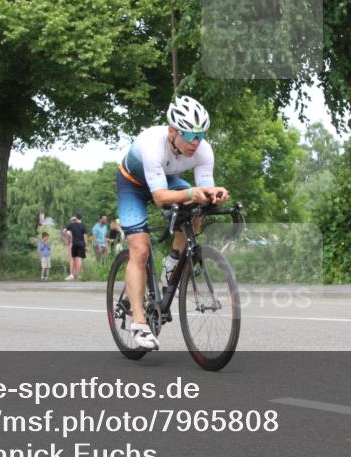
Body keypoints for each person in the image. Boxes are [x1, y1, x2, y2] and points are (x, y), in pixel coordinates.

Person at [116, 95, 230, 350]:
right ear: (172, 131)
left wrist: (215, 195)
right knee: (141, 249)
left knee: (198, 209)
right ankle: (139, 323)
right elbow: (159, 198)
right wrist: (192, 193)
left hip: (165, 181)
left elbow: (204, 190)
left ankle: (173, 263)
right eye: (190, 136)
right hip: (133, 185)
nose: (196, 142)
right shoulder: (152, 143)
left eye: (201, 135)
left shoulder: (203, 150)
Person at [64, 214, 88, 280]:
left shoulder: (71, 226)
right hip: (81, 244)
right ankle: (79, 274)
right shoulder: (82, 226)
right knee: (79, 259)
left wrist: (66, 239)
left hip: (73, 243)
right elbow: (85, 237)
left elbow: (64, 232)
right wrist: (86, 245)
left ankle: (72, 274)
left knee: (72, 259)